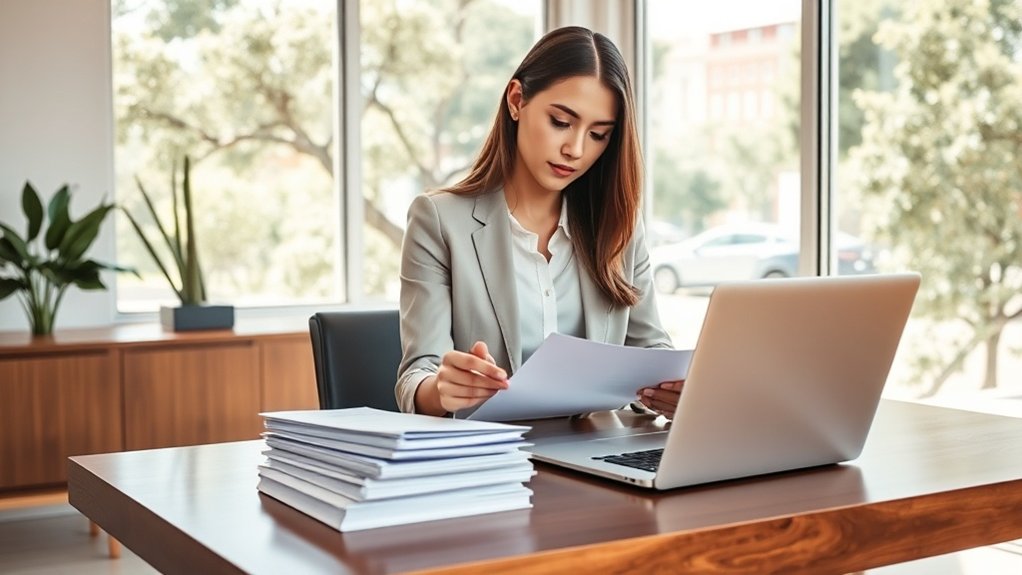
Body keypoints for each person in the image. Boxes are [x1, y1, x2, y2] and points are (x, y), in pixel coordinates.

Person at [396, 26, 683, 418]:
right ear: (517, 100)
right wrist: (443, 389)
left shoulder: (619, 225)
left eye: (598, 134)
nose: (575, 149)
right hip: (491, 447)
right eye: (561, 122)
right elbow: (417, 376)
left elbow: (651, 350)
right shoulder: (439, 220)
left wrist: (675, 392)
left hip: (596, 445)